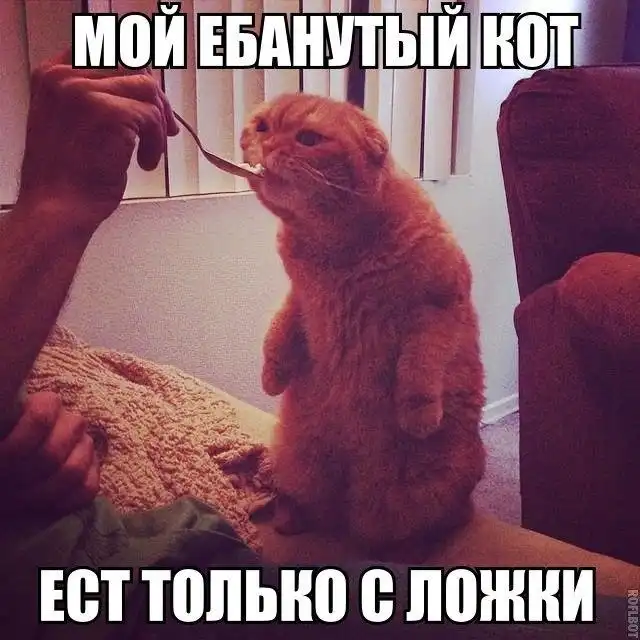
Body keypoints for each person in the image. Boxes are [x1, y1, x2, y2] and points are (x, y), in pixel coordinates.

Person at [0, 52, 631, 639]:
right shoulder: (300, 240)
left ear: (372, 162)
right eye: (262, 128)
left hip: (397, 431)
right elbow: (305, 299)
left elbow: (443, 304)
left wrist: (420, 384)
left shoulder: (415, 234)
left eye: (306, 138)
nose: (271, 147)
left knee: (431, 515)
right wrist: (282, 345)